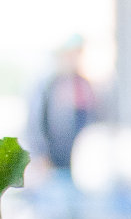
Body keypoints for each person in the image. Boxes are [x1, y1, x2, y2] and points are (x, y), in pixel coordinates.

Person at [24, 36, 100, 171]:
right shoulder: (47, 87)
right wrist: (40, 156)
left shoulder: (84, 85)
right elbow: (35, 124)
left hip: (80, 161)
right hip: (53, 161)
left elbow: (94, 121)